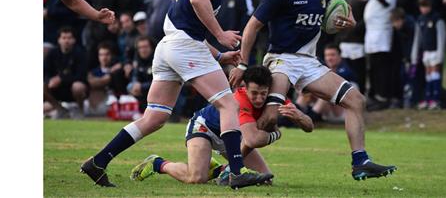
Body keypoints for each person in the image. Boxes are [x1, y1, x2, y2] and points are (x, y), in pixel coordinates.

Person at [80, 0, 273, 189]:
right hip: (183, 47)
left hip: (168, 45)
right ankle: (237, 172)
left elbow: (185, 23)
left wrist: (218, 55)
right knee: (229, 105)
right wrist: (220, 34)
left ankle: (99, 161)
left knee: (154, 118)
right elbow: (197, 1)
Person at [229, 0, 396, 180]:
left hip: (309, 62)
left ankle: (360, 161)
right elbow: (251, 28)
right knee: (269, 119)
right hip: (281, 60)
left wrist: (346, 24)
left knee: (356, 100)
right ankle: (232, 169)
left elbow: (332, 22)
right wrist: (243, 65)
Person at [129, 66, 313, 185]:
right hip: (205, 128)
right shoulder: (240, 99)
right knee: (196, 178)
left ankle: (219, 170)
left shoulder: (274, 98)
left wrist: (300, 116)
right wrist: (277, 133)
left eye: (263, 94)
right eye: (254, 93)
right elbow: (253, 139)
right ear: (244, 88)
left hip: (232, 138)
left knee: (265, 181)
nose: (259, 99)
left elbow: (309, 126)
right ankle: (158, 163)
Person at [363, 0, 399, 110]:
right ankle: (374, 95)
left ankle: (383, 97)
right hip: (371, 30)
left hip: (381, 29)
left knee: (382, 64)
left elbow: (386, 2)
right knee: (373, 64)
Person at [411, 0, 446, 110]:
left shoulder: (437, 18)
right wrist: (415, 54)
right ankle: (428, 98)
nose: (424, 9)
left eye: (426, 6)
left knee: (435, 74)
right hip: (426, 52)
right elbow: (418, 38)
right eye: (422, 6)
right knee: (428, 76)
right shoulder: (420, 19)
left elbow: (441, 36)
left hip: (435, 51)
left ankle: (435, 99)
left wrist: (440, 54)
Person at [336, 0, 369, 94]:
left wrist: (355, 27)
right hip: (344, 40)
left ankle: (361, 94)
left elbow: (366, 18)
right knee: (345, 70)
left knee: (359, 70)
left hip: (357, 40)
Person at [44, 27, 88, 119]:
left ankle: (80, 110)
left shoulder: (80, 53)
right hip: (56, 89)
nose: (66, 41)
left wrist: (62, 79)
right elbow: (45, 72)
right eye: (64, 38)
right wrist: (49, 81)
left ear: (74, 40)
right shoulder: (52, 53)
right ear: (59, 40)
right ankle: (60, 110)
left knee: (78, 86)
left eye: (69, 38)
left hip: (74, 90)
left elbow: (81, 75)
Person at [87, 42, 127, 115]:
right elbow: (92, 82)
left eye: (107, 54)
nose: (104, 57)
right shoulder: (94, 71)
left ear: (112, 55)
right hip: (97, 103)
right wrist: (110, 74)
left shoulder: (119, 70)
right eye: (101, 55)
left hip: (114, 103)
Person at [127, 36, 155, 112]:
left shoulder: (157, 60)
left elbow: (159, 81)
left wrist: (141, 86)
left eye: (145, 47)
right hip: (142, 87)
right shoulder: (137, 59)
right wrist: (135, 83)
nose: (143, 50)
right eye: (140, 47)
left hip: (156, 87)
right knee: (130, 86)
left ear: (151, 47)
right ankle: (139, 111)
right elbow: (135, 75)